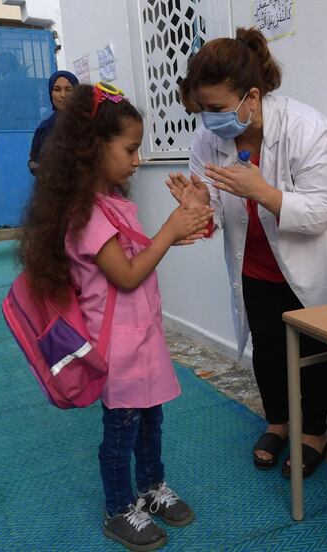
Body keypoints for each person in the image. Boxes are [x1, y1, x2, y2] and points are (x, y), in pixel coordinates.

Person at [166, 27, 327, 479]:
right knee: (268, 349)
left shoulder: (308, 128)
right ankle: (278, 424)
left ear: (251, 95)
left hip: (313, 259)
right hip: (257, 263)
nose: (208, 120)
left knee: (311, 349)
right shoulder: (208, 141)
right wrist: (199, 211)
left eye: (216, 109)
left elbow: (323, 211)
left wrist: (263, 191)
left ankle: (314, 433)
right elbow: (215, 210)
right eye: (201, 110)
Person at [20, 83, 211, 551]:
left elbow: (135, 256)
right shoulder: (85, 216)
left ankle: (150, 488)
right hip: (117, 349)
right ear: (91, 149)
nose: (137, 159)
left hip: (140, 337)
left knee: (151, 420)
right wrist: (169, 231)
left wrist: (183, 222)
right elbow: (125, 276)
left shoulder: (110, 204)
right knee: (121, 433)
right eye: (129, 149)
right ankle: (119, 508)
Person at [28, 70, 79, 174]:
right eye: (57, 89)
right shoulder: (44, 128)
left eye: (68, 89)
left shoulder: (89, 124)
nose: (63, 95)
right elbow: (33, 159)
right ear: (51, 93)